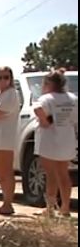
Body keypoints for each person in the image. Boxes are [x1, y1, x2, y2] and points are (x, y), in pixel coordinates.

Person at [32, 70, 78, 217]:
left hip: (49, 140)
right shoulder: (72, 98)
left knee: (51, 174)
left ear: (49, 84)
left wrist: (45, 121)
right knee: (63, 174)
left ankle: (50, 207)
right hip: (66, 139)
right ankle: (65, 208)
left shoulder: (47, 98)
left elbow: (38, 109)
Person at [0, 66, 21, 216]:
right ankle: (5, 202)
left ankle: (8, 203)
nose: (3, 81)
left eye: (6, 77)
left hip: (6, 137)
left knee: (5, 170)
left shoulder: (12, 93)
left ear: (11, 79)